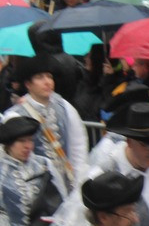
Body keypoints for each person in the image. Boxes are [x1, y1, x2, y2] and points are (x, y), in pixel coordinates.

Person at [4, 55, 88, 196]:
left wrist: (79, 181)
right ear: (28, 84)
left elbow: (78, 146)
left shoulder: (64, 107)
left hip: (67, 183)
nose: (47, 82)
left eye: (49, 77)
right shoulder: (15, 115)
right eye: (40, 77)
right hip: (34, 190)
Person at [0, 116, 64, 226]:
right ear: (9, 144)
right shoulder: (1, 172)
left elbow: (63, 200)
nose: (27, 146)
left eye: (30, 140)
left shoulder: (44, 164)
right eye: (22, 141)